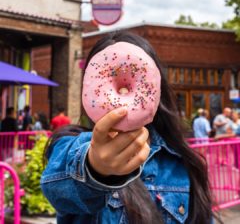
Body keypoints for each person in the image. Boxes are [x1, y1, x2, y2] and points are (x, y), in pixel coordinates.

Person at [41, 32, 218, 224]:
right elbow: (58, 189)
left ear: (158, 90)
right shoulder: (70, 146)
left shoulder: (179, 162)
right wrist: (95, 168)